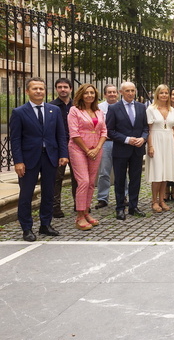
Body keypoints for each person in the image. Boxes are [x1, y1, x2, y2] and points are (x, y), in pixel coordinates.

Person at [10, 77, 69, 241]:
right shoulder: (19, 112)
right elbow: (15, 139)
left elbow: (61, 135)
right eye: (35, 89)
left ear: (45, 91)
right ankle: (27, 228)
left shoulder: (54, 110)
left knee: (49, 193)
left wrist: (63, 154)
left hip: (50, 157)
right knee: (26, 194)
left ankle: (45, 224)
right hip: (28, 159)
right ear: (27, 91)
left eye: (41, 89)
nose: (38, 91)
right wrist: (18, 161)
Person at [105, 81, 148, 220]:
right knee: (120, 179)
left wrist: (143, 138)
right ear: (121, 92)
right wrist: (126, 139)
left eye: (132, 90)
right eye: (127, 91)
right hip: (121, 149)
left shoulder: (141, 107)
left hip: (137, 149)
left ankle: (133, 206)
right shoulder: (114, 108)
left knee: (136, 179)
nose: (130, 93)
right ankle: (120, 208)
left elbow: (146, 128)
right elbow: (110, 131)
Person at [67, 83, 107, 230]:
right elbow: (74, 133)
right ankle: (79, 217)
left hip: (96, 149)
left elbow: (104, 131)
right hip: (78, 149)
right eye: (86, 93)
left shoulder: (99, 111)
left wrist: (97, 148)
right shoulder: (74, 110)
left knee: (91, 182)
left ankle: (86, 212)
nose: (89, 95)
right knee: (83, 181)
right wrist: (87, 149)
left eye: (92, 93)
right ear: (81, 95)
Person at [145, 84, 174, 213]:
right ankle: (154, 201)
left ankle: (162, 199)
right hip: (156, 140)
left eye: (166, 93)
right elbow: (148, 129)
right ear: (157, 94)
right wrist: (151, 146)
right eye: (162, 93)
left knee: (165, 172)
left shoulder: (172, 110)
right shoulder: (151, 109)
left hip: (168, 141)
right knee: (157, 172)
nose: (164, 95)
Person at [50, 77, 76, 218]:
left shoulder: (77, 106)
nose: (63, 89)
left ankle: (79, 204)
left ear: (70, 89)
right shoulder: (51, 107)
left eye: (65, 87)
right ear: (56, 89)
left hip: (76, 145)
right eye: (59, 87)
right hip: (58, 146)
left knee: (77, 177)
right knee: (57, 177)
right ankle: (55, 207)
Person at [95, 84, 120, 209]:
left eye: (114, 92)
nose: (112, 94)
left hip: (120, 142)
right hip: (105, 142)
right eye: (109, 92)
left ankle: (123, 196)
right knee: (104, 171)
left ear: (117, 93)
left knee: (121, 171)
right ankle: (102, 198)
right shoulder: (99, 108)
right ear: (105, 94)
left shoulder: (122, 107)